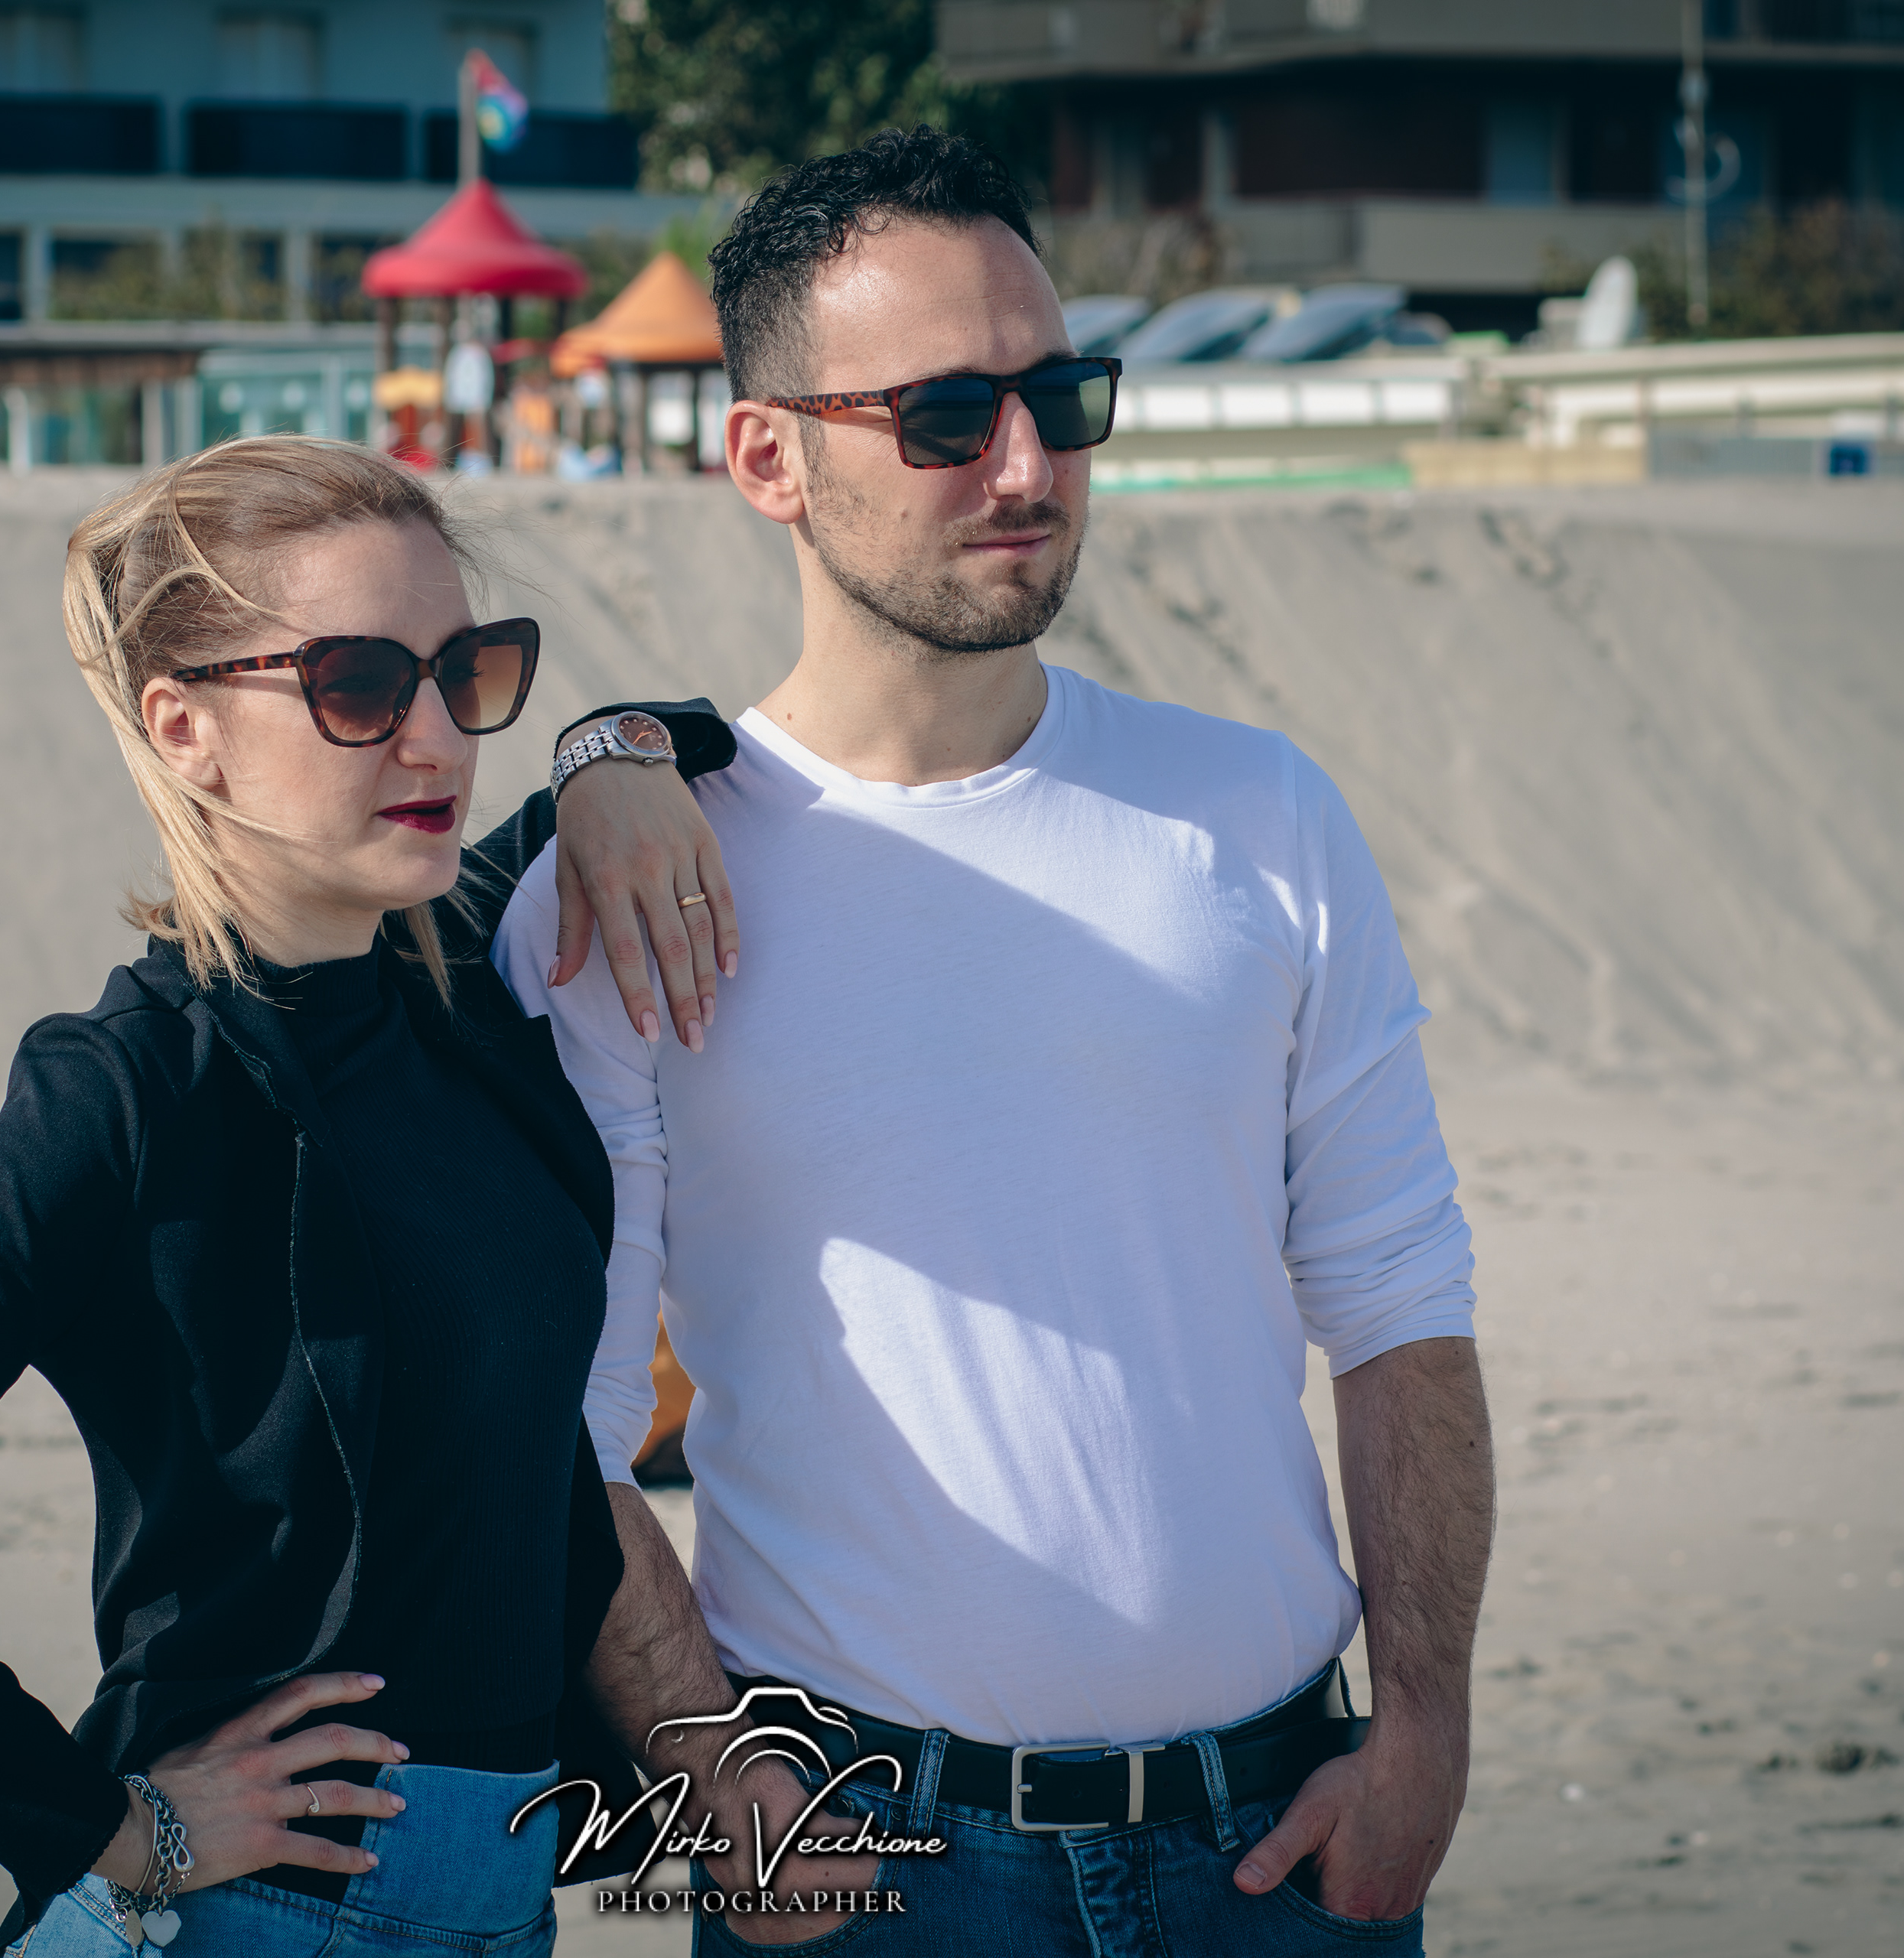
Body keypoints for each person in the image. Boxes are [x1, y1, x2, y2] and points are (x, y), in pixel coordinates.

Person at [492, 131, 1495, 1956]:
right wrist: (711, 1771)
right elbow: (563, 1413)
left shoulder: (1257, 813)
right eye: (947, 414)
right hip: (868, 1861)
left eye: (1061, 395)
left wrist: (1427, 1722)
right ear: (768, 457)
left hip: (1287, 1846)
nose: (1028, 465)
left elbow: (1400, 1297)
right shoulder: (633, 888)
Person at [0, 435, 745, 1958]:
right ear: (184, 727)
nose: (437, 736)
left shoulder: (462, 971)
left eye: (467, 671)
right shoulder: (128, 1088)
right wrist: (104, 1826)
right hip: (248, 1911)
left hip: (510, 1902)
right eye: (359, 685)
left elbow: (705, 734)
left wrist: (605, 753)